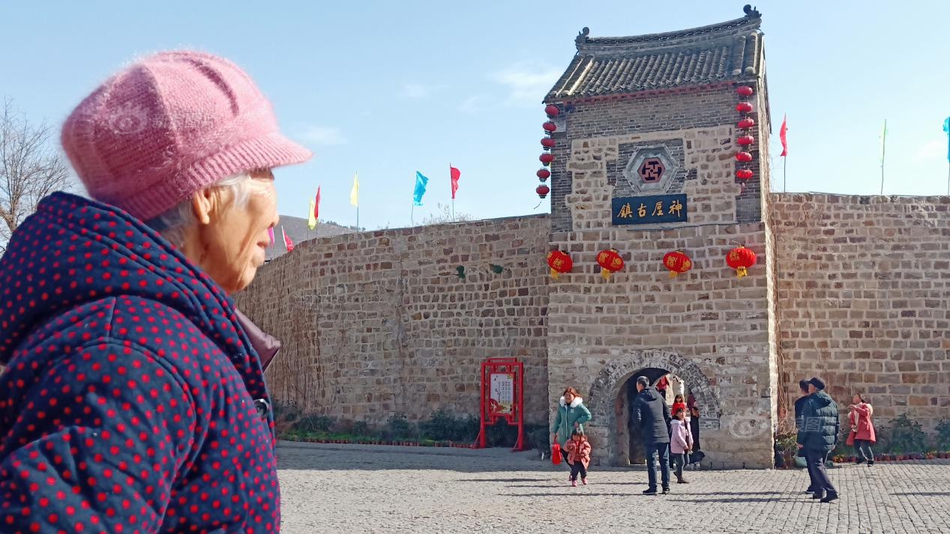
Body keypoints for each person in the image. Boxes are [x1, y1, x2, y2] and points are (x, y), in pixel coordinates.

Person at [0, 51, 311, 532]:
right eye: (264, 172)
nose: (275, 211)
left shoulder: (146, 338)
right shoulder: (132, 357)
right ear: (206, 195)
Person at [797, 377, 841, 503]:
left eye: (810, 385)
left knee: (816, 466)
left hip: (813, 439)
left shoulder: (810, 401)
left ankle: (831, 491)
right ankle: (818, 491)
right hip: (828, 439)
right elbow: (837, 423)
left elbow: (807, 424)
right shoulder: (832, 402)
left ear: (813, 387)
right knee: (819, 466)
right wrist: (834, 441)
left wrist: (800, 440)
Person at [633, 376, 672, 495]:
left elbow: (637, 418)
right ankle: (666, 487)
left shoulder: (639, 398)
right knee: (665, 461)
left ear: (640, 385)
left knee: (652, 461)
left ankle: (653, 487)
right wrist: (667, 430)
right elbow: (667, 414)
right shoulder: (659, 396)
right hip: (663, 432)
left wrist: (642, 429)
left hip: (650, 433)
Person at [551, 387, 592, 467]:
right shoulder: (562, 406)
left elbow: (588, 415)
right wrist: (554, 431)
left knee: (575, 452)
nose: (567, 397)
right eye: (566, 395)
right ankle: (573, 470)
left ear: (574, 396)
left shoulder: (578, 406)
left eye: (570, 395)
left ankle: (575, 471)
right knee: (564, 451)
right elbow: (558, 419)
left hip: (574, 433)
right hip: (563, 433)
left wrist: (579, 421)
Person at [793, 378, 818, 493]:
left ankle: (816, 485)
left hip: (808, 435)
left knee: (811, 461)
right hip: (821, 433)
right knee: (819, 462)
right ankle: (818, 485)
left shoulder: (800, 402)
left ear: (802, 390)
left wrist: (800, 439)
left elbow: (800, 422)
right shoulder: (820, 400)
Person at [847, 393, 876, 466]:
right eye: (854, 397)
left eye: (856, 397)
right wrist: (852, 425)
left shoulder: (864, 406)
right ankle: (862, 457)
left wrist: (856, 408)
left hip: (865, 428)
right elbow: (852, 419)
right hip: (858, 429)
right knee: (856, 444)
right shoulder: (854, 409)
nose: (854, 398)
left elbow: (866, 413)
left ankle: (871, 460)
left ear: (860, 399)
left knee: (865, 445)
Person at [670, 407, 693, 484]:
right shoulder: (676, 423)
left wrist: (691, 442)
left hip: (686, 444)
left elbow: (689, 433)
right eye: (680, 412)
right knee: (681, 462)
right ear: (677, 414)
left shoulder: (686, 422)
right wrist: (684, 444)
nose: (682, 414)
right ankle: (680, 478)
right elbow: (678, 436)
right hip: (678, 445)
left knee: (687, 461)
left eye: (683, 412)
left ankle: (677, 472)